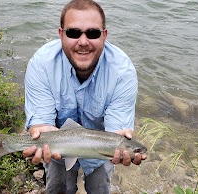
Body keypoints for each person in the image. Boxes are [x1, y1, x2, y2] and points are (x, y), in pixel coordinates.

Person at [22, 0, 147, 193]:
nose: (83, 41)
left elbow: (117, 131)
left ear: (104, 36)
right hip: (57, 146)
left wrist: (121, 139)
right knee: (58, 190)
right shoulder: (41, 64)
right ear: (60, 34)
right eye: (73, 33)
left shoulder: (123, 71)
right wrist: (38, 128)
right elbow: (41, 121)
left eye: (93, 33)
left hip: (100, 153)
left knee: (100, 189)